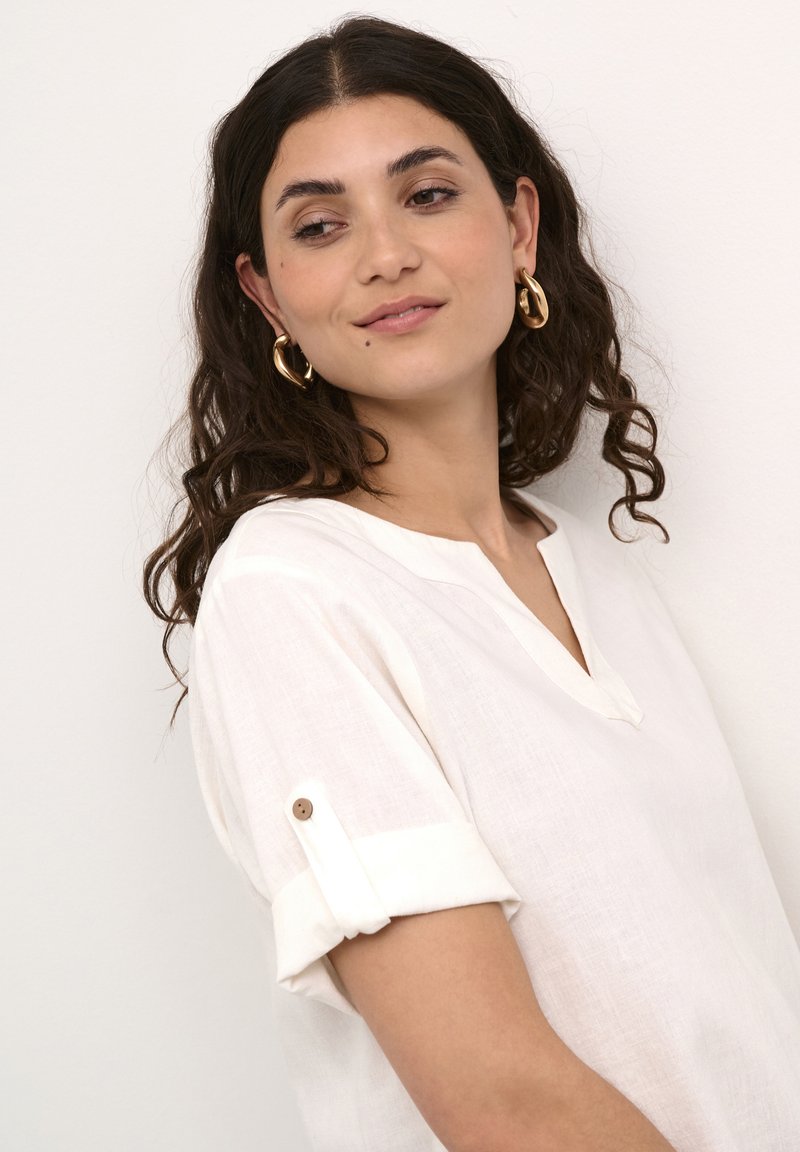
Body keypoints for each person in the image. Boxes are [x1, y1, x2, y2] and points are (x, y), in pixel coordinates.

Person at [143, 15, 800, 1152]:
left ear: (519, 224)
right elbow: (502, 1101)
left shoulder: (593, 571)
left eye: (428, 195)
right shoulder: (292, 590)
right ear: (267, 296)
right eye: (319, 225)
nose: (385, 255)